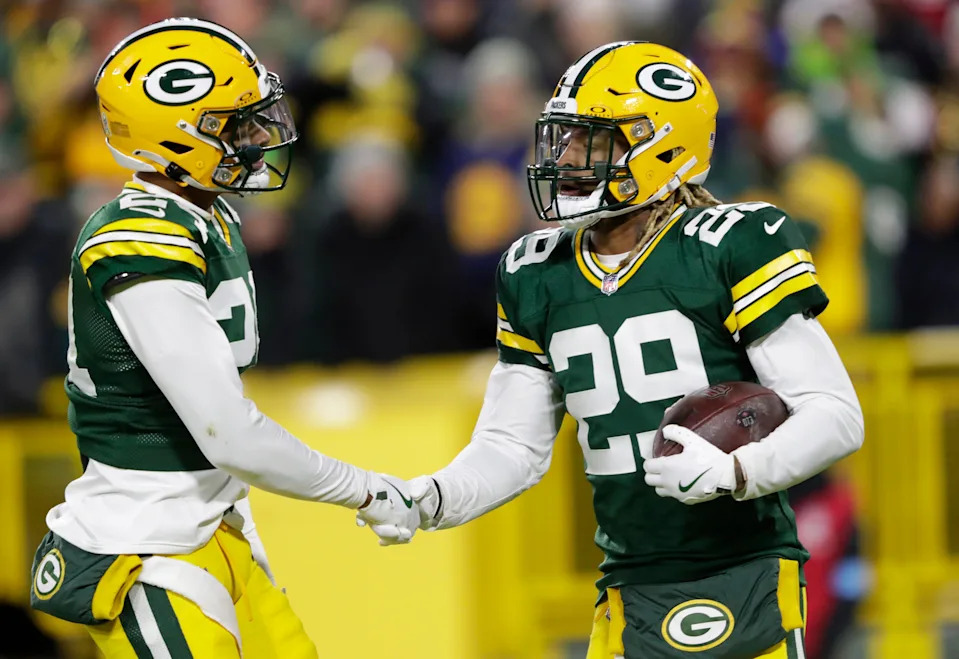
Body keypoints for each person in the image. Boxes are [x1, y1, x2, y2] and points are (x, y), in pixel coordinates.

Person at [360, 42, 865, 658]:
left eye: (593, 140)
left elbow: (835, 414)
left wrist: (736, 472)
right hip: (627, 586)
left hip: (745, 570)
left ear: (663, 147)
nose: (567, 157)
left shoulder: (729, 245)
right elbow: (512, 446)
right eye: (565, 138)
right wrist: (432, 497)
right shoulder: (535, 271)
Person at [29, 18, 420, 659]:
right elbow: (227, 432)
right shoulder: (138, 238)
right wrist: (366, 489)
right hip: (149, 543)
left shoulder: (205, 214)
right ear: (175, 136)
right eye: (235, 125)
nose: (258, 138)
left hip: (217, 523)